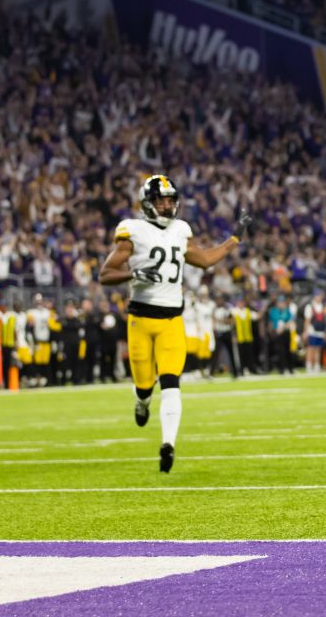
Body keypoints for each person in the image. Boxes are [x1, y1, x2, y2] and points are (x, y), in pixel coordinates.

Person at [98, 174, 251, 474]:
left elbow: (205, 260)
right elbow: (105, 274)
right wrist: (134, 274)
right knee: (144, 387)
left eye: (170, 200)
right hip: (140, 321)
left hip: (171, 320)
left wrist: (234, 239)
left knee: (171, 385)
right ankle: (141, 403)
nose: (167, 206)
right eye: (161, 201)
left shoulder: (181, 230)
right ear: (147, 203)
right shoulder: (133, 230)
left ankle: (168, 444)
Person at [303, 292, 326, 372]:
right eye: (318, 296)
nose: (320, 298)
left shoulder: (323, 306)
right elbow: (307, 320)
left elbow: (325, 320)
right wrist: (306, 331)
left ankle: (317, 365)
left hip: (320, 331)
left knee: (318, 349)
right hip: (312, 331)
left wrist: (325, 331)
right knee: (311, 348)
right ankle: (309, 365)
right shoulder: (309, 306)